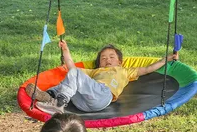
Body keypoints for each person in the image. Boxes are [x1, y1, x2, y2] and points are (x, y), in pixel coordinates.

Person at [26, 40, 178, 114]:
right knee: (71, 77)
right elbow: (71, 68)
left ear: (120, 61)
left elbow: (147, 69)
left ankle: (57, 102)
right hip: (82, 103)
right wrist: (65, 50)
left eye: (111, 57)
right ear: (99, 63)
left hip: (103, 96)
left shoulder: (124, 71)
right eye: (103, 58)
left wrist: (166, 59)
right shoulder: (94, 72)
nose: (107, 60)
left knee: (74, 75)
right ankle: (49, 96)